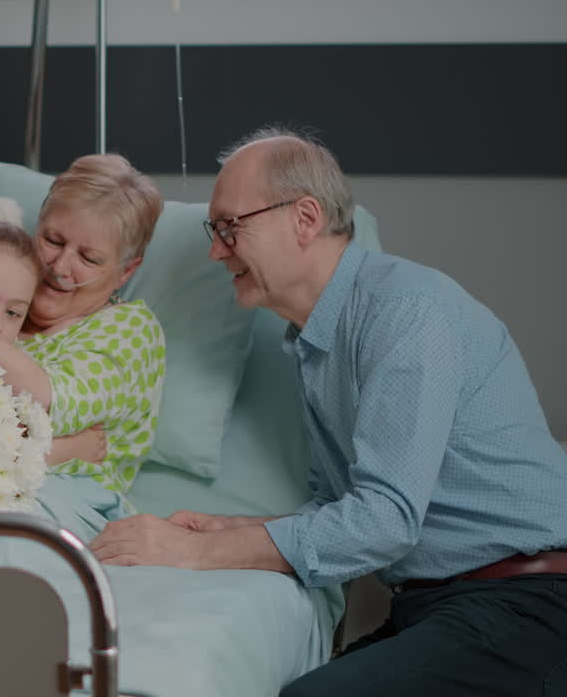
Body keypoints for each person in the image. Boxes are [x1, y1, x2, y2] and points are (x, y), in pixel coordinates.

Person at [88, 126, 567, 696]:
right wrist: (234, 526)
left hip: (529, 604)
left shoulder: (405, 312)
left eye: (228, 227)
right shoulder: (315, 342)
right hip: (446, 604)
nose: (216, 250)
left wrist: (196, 552)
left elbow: (385, 521)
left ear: (305, 218)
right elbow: (343, 506)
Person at [0, 154, 167, 494]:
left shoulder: (133, 329)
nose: (60, 266)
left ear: (126, 271)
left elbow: (46, 399)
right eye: (52, 240)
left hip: (60, 502)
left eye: (88, 258)